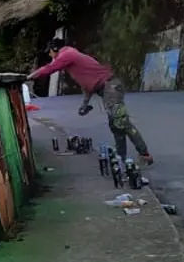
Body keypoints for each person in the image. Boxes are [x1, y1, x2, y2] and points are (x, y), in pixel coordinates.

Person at [27, 36, 153, 165]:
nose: (50, 55)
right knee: (115, 125)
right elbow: (88, 85)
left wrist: (30, 76)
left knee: (121, 122)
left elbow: (50, 68)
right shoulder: (74, 58)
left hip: (111, 87)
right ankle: (122, 158)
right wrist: (85, 104)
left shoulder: (67, 54)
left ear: (55, 49)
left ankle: (145, 155)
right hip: (108, 88)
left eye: (50, 52)